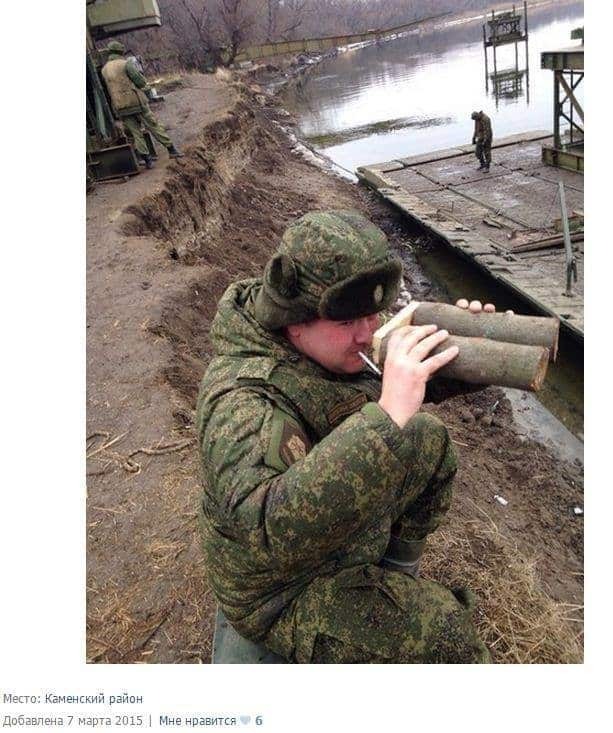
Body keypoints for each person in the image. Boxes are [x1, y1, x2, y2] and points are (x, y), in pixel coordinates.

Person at [196, 210, 494, 663]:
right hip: (282, 589)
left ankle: (392, 577)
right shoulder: (242, 400)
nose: (367, 333)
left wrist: (466, 358)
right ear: (294, 321)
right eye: (348, 323)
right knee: (445, 635)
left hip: (326, 531)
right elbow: (268, 529)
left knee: (425, 439)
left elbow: (373, 382)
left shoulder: (321, 342)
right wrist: (388, 413)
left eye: (373, 315)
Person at [100, 40, 183, 169]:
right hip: (136, 102)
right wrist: (148, 90)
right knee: (153, 125)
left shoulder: (104, 69)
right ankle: (172, 150)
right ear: (120, 51)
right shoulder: (125, 64)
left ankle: (147, 160)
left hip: (120, 106)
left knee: (135, 132)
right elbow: (139, 80)